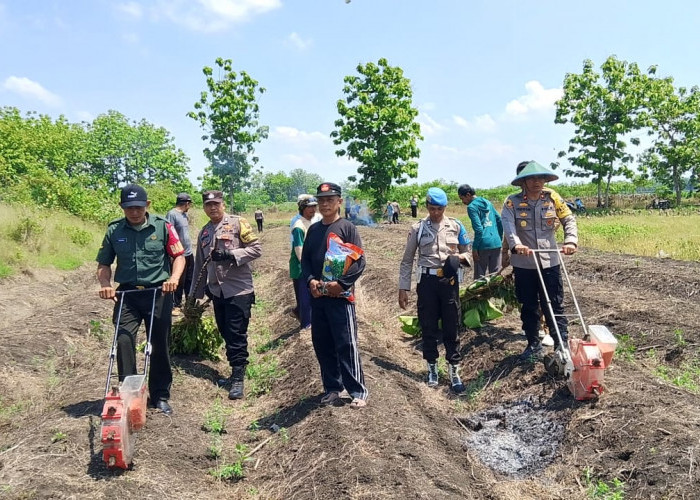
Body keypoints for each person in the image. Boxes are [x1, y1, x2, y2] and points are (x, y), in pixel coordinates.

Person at [96, 184, 185, 416]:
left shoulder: (163, 227)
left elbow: (178, 256)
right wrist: (105, 285)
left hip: (158, 293)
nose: (133, 212)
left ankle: (160, 395)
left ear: (147, 205)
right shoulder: (114, 230)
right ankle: (130, 395)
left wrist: (174, 278)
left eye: (138, 207)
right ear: (122, 207)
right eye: (128, 208)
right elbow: (104, 264)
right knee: (123, 340)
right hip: (127, 295)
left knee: (158, 344)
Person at [501, 161, 578, 362]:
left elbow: (568, 219)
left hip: (550, 261)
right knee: (528, 305)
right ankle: (533, 343)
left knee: (554, 304)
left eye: (541, 178)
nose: (537, 182)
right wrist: (516, 244)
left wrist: (570, 240)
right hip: (525, 264)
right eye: (532, 178)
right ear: (523, 181)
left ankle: (561, 344)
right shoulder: (512, 203)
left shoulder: (552, 197)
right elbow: (508, 227)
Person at [398, 187, 472, 393]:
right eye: (432, 209)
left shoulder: (456, 227)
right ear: (427, 207)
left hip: (449, 282)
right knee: (428, 325)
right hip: (427, 282)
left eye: (439, 209)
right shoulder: (418, 228)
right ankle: (432, 367)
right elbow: (406, 261)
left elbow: (469, 253)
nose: (435, 213)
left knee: (452, 325)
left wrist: (458, 259)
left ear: (445, 207)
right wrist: (403, 288)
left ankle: (454, 370)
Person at [301, 182, 368, 408]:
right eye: (321, 200)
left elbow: (359, 262)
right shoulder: (314, 229)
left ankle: (357, 390)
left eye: (329, 199)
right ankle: (332, 387)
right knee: (322, 343)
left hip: (340, 297)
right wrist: (311, 280)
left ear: (339, 201)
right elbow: (306, 261)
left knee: (346, 343)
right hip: (319, 297)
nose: (324, 204)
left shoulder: (347, 228)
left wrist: (341, 284)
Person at [191, 190, 262, 400]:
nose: (212, 208)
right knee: (224, 331)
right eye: (208, 205)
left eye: (216, 204)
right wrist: (195, 294)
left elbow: (256, 249)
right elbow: (199, 265)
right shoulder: (204, 232)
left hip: (238, 289)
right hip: (217, 291)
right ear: (204, 207)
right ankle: (234, 371)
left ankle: (238, 378)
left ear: (222, 204)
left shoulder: (238, 223)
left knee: (236, 333)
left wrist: (231, 254)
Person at [458, 184, 503, 279]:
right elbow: (499, 220)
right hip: (496, 242)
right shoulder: (488, 203)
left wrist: (474, 248)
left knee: (480, 277)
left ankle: (480, 294)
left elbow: (479, 229)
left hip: (483, 244)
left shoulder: (471, 207)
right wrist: (499, 237)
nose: (463, 202)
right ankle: (494, 294)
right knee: (495, 276)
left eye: (462, 198)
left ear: (468, 195)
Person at [290, 196, 318, 331]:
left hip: (310, 264)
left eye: (314, 206)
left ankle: (300, 314)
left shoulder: (310, 222)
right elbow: (299, 252)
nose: (313, 209)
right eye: (310, 207)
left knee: (310, 296)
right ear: (302, 208)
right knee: (305, 298)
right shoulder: (299, 226)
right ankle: (306, 325)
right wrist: (308, 268)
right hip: (301, 268)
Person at [166, 192, 194, 314]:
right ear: (187, 203)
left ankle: (189, 304)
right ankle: (175, 305)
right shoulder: (172, 214)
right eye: (190, 204)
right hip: (178, 255)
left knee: (190, 279)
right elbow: (168, 232)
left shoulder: (184, 215)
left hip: (188, 253)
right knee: (179, 280)